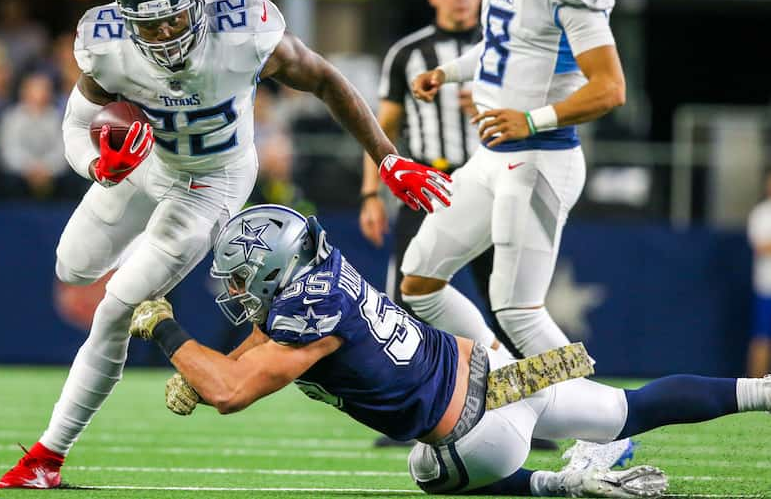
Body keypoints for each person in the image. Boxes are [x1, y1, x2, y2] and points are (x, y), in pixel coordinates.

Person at [0, 0, 451, 489]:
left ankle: (48, 456)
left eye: (174, 19)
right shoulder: (107, 44)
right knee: (72, 267)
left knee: (116, 308)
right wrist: (99, 166)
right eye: (148, 24)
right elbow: (74, 127)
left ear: (199, 2)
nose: (163, 34)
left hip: (213, 181)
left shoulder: (242, 28)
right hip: (148, 165)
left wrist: (387, 159)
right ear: (125, 19)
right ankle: (148, 247)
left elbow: (327, 80)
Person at [128, 203, 771, 498]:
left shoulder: (303, 311)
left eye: (241, 279)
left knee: (424, 473)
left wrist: (164, 329)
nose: (235, 292)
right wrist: (214, 360)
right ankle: (761, 392)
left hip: (478, 437)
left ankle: (558, 484)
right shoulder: (321, 270)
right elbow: (275, 331)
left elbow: (230, 393)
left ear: (274, 269)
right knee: (632, 409)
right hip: (510, 375)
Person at [400, 0, 630, 468]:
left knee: (517, 308)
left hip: (541, 158)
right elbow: (503, 46)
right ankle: (500, 386)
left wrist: (534, 119)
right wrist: (448, 72)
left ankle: (606, 427)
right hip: (492, 155)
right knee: (420, 280)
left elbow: (609, 88)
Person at [360, 0, 486, 310]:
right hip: (425, 186)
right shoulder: (407, 54)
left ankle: (524, 365)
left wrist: (490, 107)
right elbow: (383, 128)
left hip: (487, 184)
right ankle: (404, 368)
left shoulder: (501, 48)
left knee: (506, 301)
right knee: (403, 298)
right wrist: (371, 195)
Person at [746, 171, 771, 377]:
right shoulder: (762, 214)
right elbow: (761, 247)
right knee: (762, 339)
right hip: (767, 288)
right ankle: (755, 389)